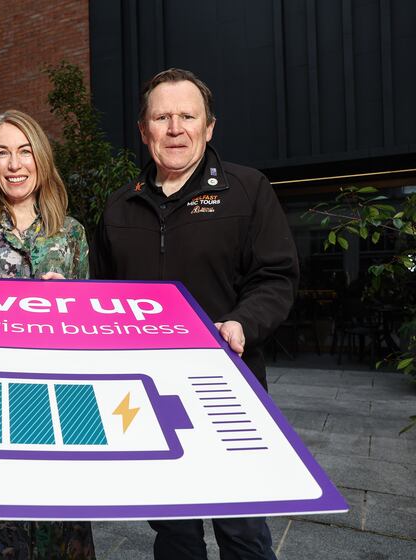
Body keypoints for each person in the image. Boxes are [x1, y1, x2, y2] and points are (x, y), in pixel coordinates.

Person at [92, 68, 298, 559]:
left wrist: (243, 322)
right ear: (144, 131)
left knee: (243, 532)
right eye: (162, 117)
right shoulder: (119, 207)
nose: (175, 128)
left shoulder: (247, 191)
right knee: (174, 534)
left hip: (228, 391)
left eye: (188, 116)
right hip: (147, 400)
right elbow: (100, 297)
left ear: (209, 127)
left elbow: (275, 277)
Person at [0, 109, 93, 559]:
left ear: (41, 159)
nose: (14, 164)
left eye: (24, 151)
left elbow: (91, 339)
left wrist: (67, 310)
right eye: (2, 152)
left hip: (55, 414)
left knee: (57, 537)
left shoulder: (71, 236)